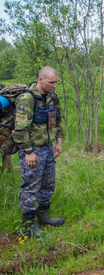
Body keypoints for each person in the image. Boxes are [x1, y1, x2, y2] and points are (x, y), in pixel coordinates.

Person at [13, 66, 66, 238]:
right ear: (40, 79)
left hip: (48, 147)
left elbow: (57, 120)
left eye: (56, 82)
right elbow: (20, 128)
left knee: (48, 184)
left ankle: (44, 215)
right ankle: (28, 224)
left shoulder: (52, 97)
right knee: (30, 186)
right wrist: (28, 151)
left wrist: (58, 143)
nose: (54, 86)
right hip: (33, 150)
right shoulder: (27, 99)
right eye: (52, 82)